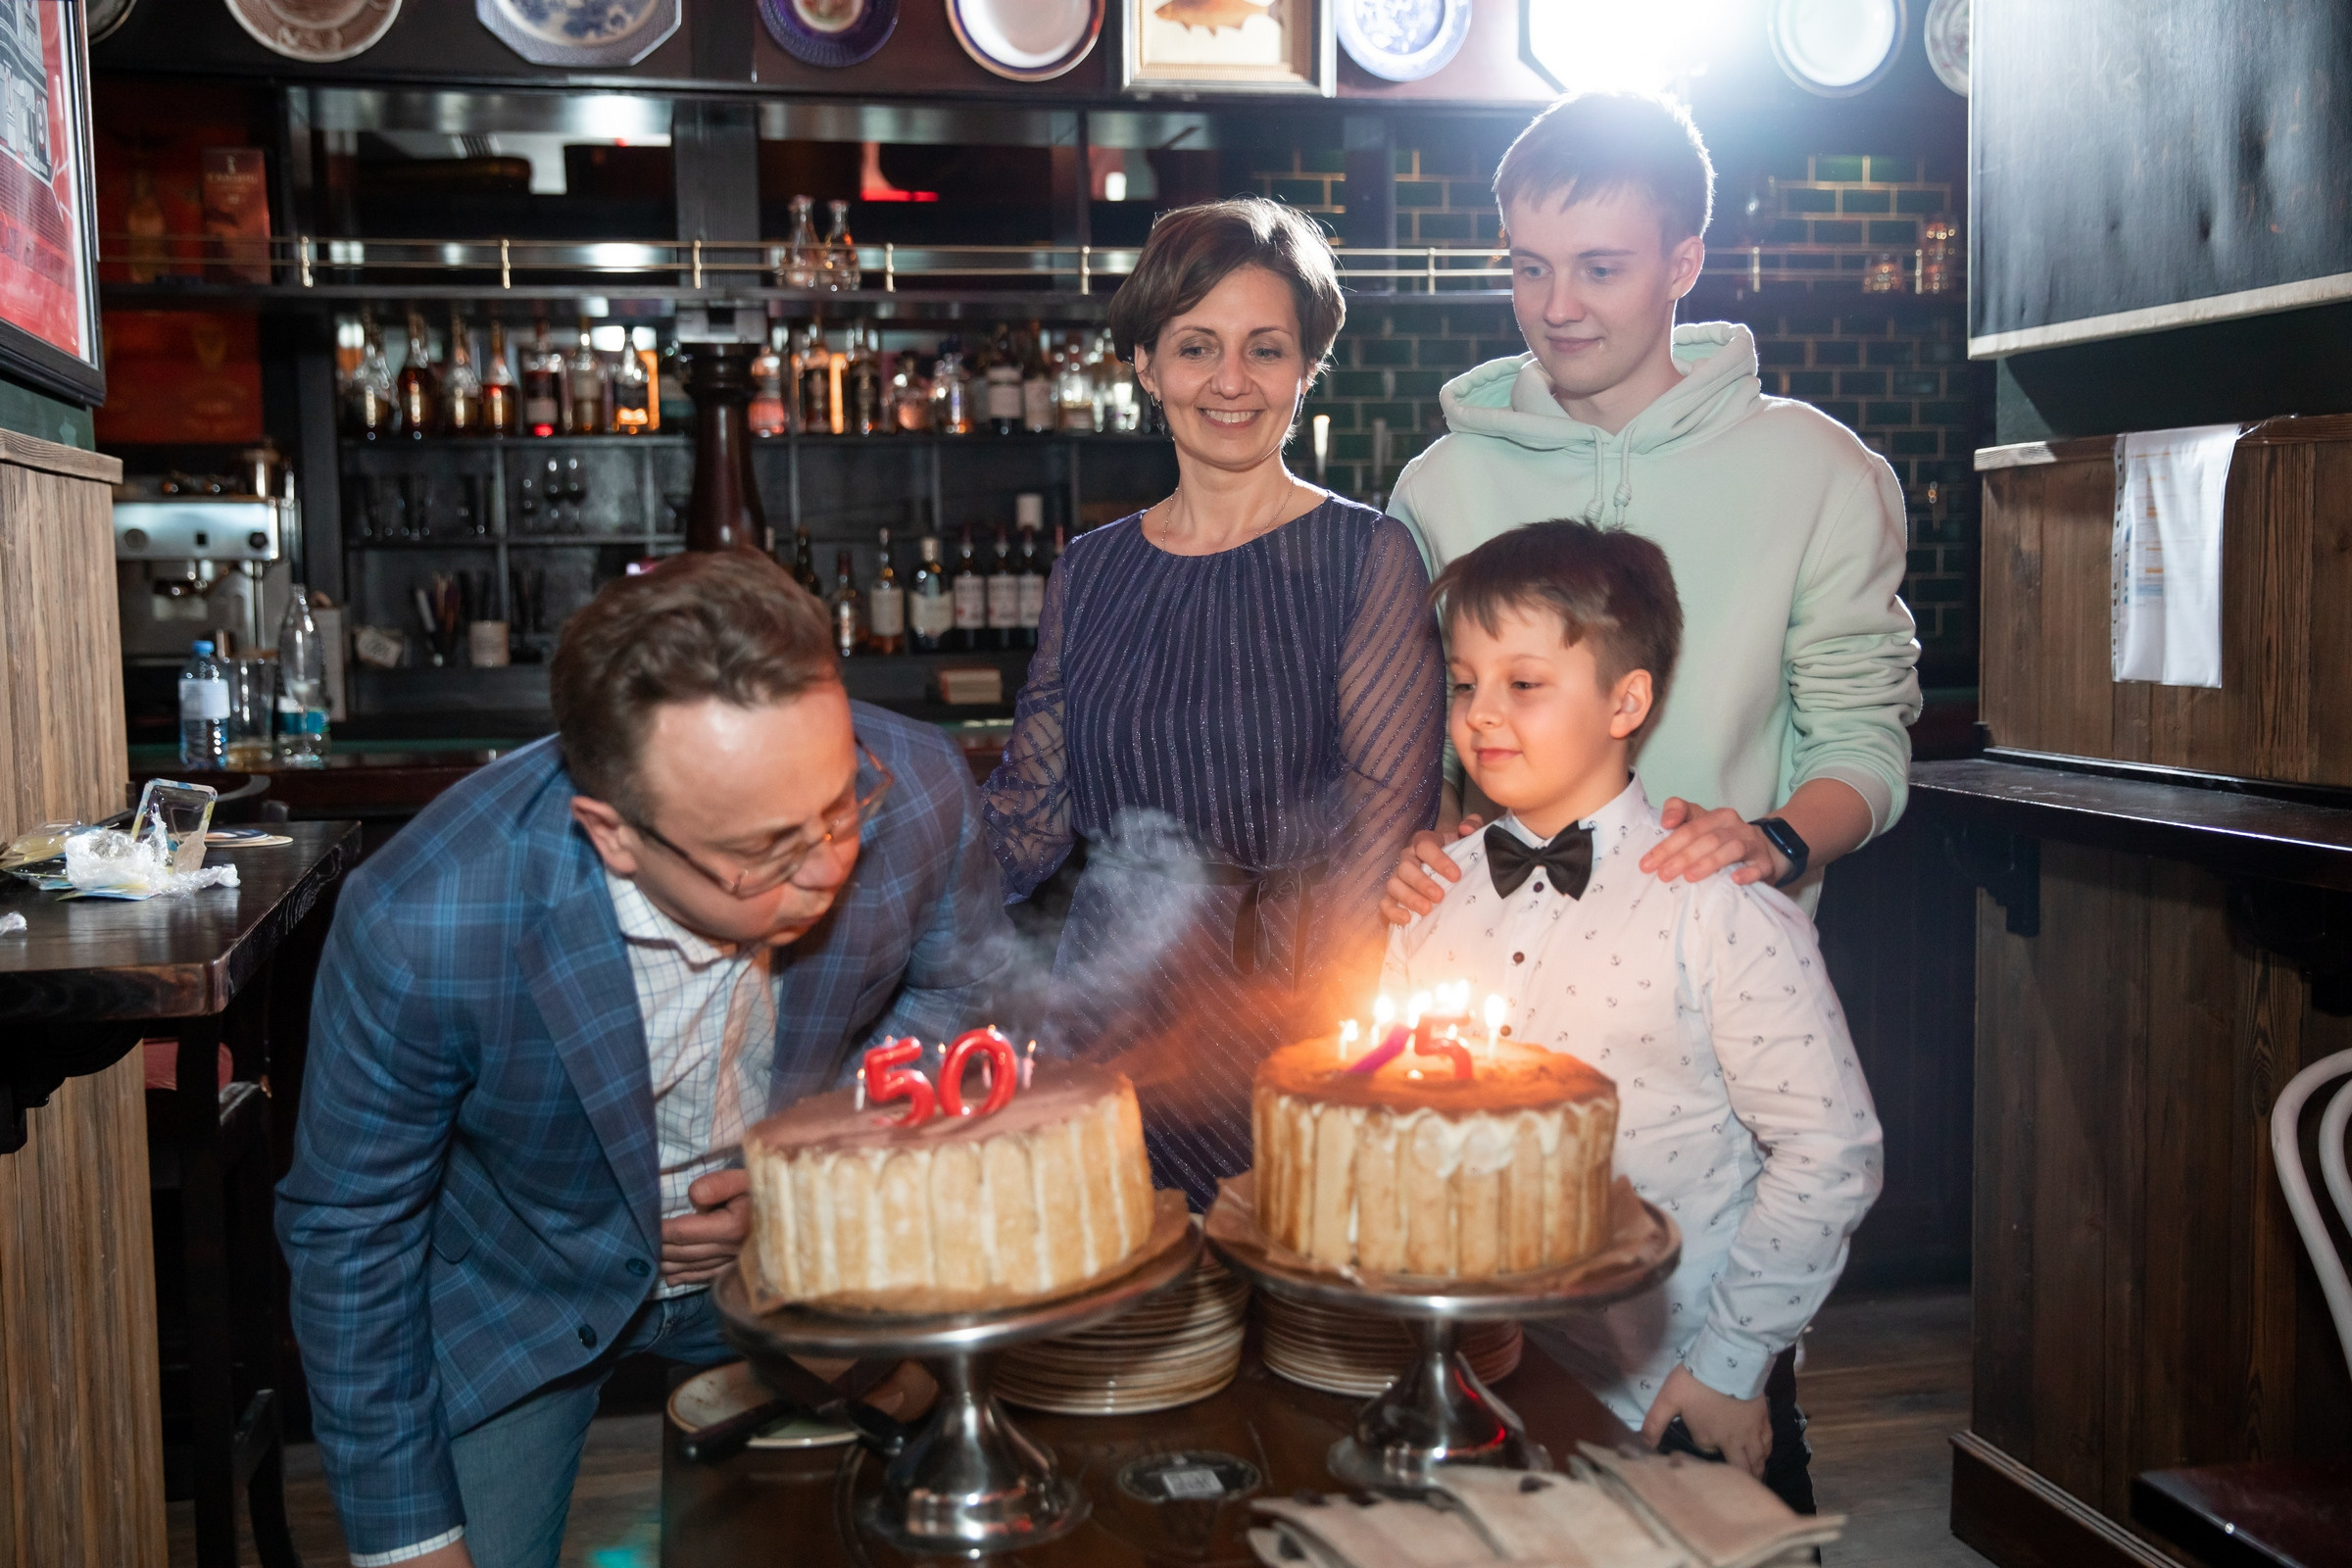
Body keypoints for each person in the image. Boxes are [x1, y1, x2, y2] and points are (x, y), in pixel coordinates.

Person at [277, 552, 1012, 1568]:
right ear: (614, 836)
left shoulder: (920, 785)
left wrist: (818, 1170)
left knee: (925, 1506)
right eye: (762, 851)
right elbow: (352, 1226)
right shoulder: (424, 918)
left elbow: (958, 1004)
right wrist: (407, 1545)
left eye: (843, 805)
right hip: (520, 1281)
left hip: (795, 1256)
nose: (828, 865)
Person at [1383, 518, 1882, 1512]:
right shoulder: (1432, 899)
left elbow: (1830, 1153)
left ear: (1627, 700)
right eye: (1466, 683)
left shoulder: (1718, 909)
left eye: (1525, 683)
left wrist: (1730, 1364)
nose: (1483, 714)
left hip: (1678, 1391)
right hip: (1490, 1378)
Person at [983, 196, 1446, 1208]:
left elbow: (1380, 839)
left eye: (1264, 349)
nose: (1231, 382)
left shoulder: (1367, 557)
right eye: (1196, 347)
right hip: (1105, 1015)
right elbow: (1029, 815)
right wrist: (872, 870)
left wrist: (1303, 1053)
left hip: (1290, 1010)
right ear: (1146, 366)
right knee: (1112, 1282)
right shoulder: (1090, 571)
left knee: (1283, 1278)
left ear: (1306, 367)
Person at [1382, 90, 1920, 923]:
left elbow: (1862, 740)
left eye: (1600, 270)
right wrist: (1433, 832)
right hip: (1495, 954)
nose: (1557, 308)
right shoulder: (1437, 486)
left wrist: (1773, 841)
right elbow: (1424, 748)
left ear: (1683, 265)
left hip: (1724, 954)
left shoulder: (1824, 472)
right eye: (1531, 267)